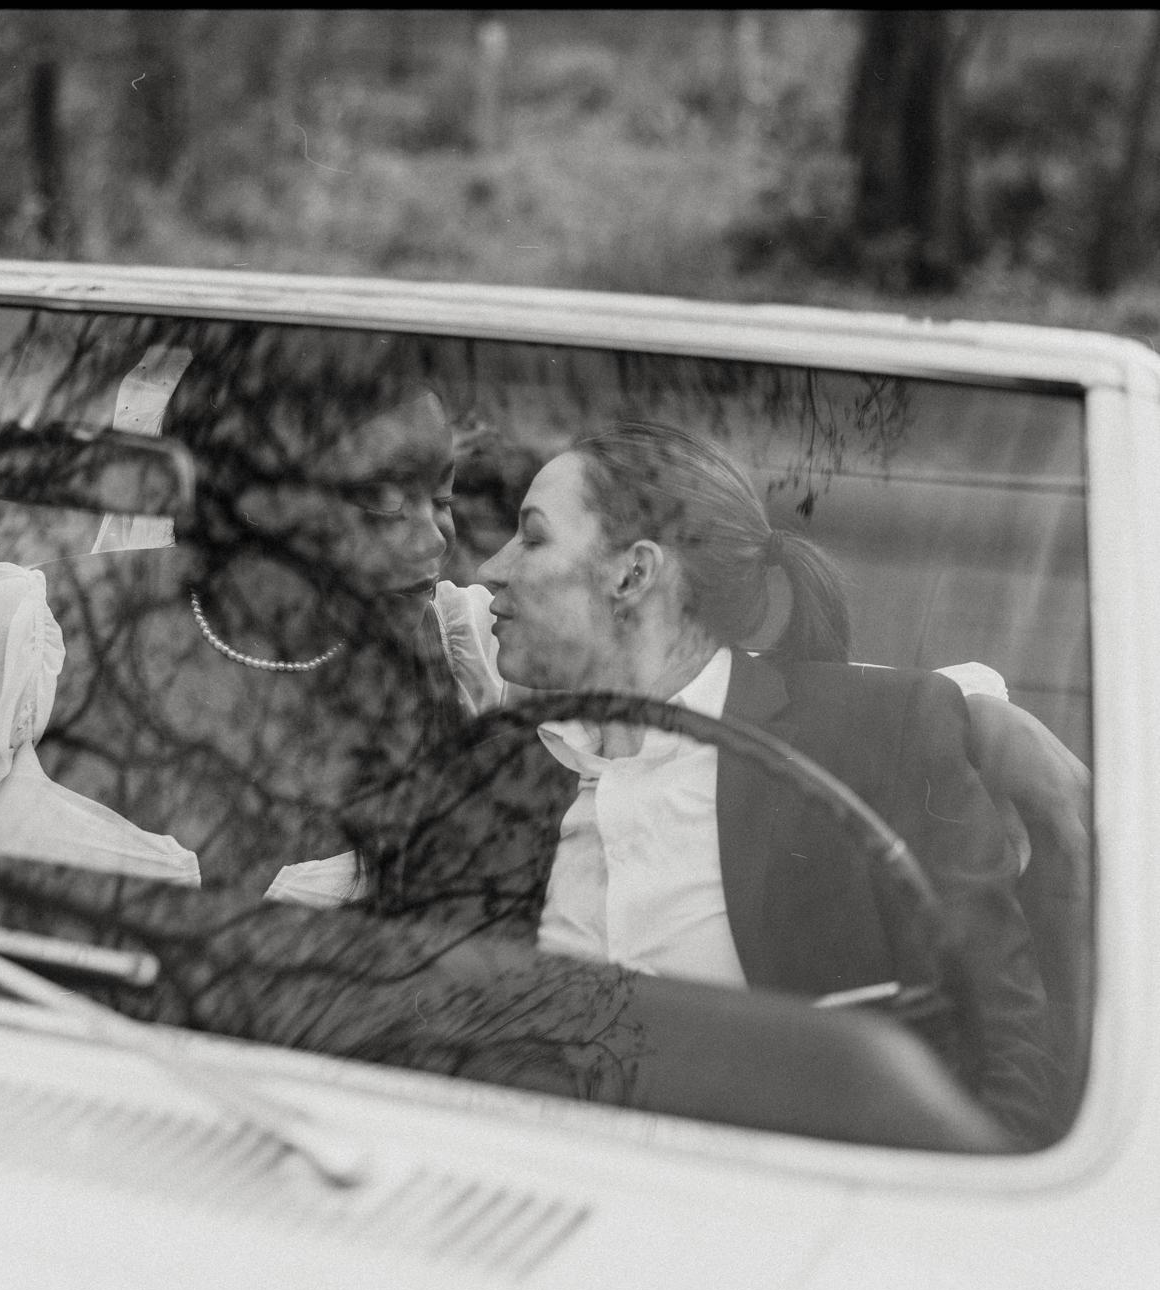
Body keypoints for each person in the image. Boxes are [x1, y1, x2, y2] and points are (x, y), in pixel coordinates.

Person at [390, 419, 1050, 1144]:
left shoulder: (875, 739)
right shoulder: (500, 776)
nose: (493, 568)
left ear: (633, 575)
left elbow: (1003, 1054)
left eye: (534, 537)